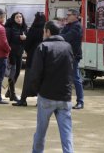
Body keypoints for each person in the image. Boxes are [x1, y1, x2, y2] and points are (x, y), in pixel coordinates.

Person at [31, 20, 74, 153]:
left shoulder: (43, 47)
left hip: (46, 94)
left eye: (44, 31)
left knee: (41, 131)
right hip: (64, 95)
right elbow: (71, 70)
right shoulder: (68, 47)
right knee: (66, 132)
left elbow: (36, 72)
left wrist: (36, 89)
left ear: (48, 32)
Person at [13, 12, 46, 107]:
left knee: (28, 79)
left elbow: (27, 44)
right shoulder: (45, 29)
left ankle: (23, 99)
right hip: (43, 58)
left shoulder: (33, 29)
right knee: (41, 79)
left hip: (32, 57)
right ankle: (40, 100)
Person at [60, 8, 84, 110]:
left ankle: (80, 101)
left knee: (76, 78)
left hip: (74, 56)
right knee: (64, 78)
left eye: (69, 15)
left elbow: (66, 37)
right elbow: (61, 34)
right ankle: (64, 99)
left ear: (75, 16)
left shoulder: (77, 26)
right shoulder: (68, 25)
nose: (67, 16)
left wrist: (58, 36)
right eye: (67, 14)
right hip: (66, 54)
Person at [4, 12, 27, 102]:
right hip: (12, 53)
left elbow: (27, 41)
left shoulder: (24, 28)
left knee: (17, 73)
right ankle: (12, 94)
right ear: (13, 19)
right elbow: (7, 42)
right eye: (17, 17)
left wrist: (25, 38)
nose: (19, 19)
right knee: (12, 73)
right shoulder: (9, 28)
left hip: (20, 53)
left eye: (20, 17)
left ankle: (9, 91)